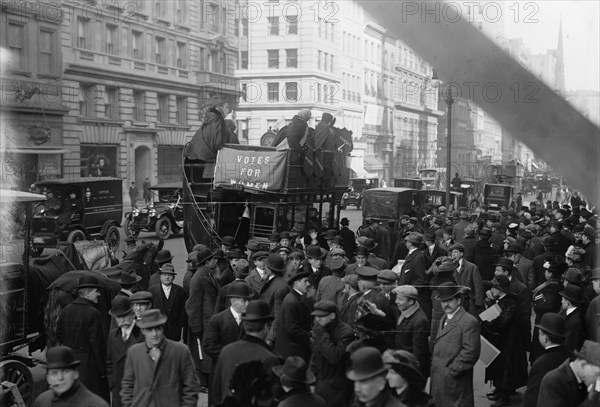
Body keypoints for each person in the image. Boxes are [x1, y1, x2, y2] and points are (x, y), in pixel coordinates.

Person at [120, 309, 200, 407]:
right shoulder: (134, 353)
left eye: (157, 328)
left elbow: (191, 387)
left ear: (162, 328)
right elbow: (127, 386)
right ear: (143, 330)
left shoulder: (180, 351)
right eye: (149, 329)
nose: (154, 334)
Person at [211, 300, 281, 405]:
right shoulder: (269, 358)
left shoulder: (226, 351)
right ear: (266, 327)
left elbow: (216, 393)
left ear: (245, 326)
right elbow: (269, 400)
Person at [57, 275, 109, 402]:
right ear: (87, 293)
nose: (99, 294)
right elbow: (98, 345)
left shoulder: (66, 310)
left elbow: (59, 336)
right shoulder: (93, 313)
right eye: (96, 291)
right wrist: (104, 371)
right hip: (90, 367)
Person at [430, 281, 481, 407]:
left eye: (450, 300)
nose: (446, 304)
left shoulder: (469, 321)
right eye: (443, 301)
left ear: (458, 300)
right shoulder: (444, 318)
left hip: (455, 383)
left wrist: (451, 372)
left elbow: (470, 353)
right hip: (439, 380)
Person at [203, 283, 251, 406]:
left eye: (248, 300)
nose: (247, 304)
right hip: (221, 371)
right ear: (233, 301)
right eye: (243, 301)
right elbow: (208, 345)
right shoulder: (217, 320)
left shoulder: (250, 321)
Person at [481, 275, 525, 407]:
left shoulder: (511, 301)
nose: (491, 290)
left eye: (494, 288)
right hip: (501, 340)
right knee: (499, 367)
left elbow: (502, 321)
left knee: (506, 369)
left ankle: (504, 396)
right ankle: (499, 389)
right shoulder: (502, 300)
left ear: (500, 288)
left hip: (509, 343)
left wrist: (488, 324)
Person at [185, 248, 219, 391]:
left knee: (206, 354)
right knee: (201, 355)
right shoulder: (198, 278)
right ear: (207, 262)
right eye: (213, 259)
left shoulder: (207, 274)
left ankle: (206, 381)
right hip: (202, 325)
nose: (215, 261)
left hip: (208, 322)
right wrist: (196, 328)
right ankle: (202, 383)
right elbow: (193, 304)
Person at [310, 300, 354, 406]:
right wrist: (311, 381)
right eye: (316, 316)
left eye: (321, 316)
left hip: (337, 389)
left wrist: (322, 334)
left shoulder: (345, 332)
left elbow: (334, 356)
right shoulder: (321, 329)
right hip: (320, 384)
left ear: (332, 316)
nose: (317, 319)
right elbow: (315, 357)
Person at [33, 346, 109, 407]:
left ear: (76, 373)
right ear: (48, 378)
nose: (60, 378)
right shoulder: (42, 401)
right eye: (54, 373)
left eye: (66, 371)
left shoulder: (95, 404)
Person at [523, 313, 571, 407]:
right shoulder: (570, 357)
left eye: (539, 333)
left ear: (545, 338)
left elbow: (532, 399)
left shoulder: (540, 364)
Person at [537, 340, 600, 407]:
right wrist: (591, 399)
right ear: (583, 365)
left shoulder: (582, 379)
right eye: (597, 374)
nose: (598, 379)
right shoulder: (553, 381)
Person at [106, 297, 144, 407]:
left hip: (138, 388)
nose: (122, 320)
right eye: (118, 317)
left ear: (133, 314)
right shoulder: (113, 336)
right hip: (118, 389)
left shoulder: (142, 334)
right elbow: (109, 362)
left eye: (125, 315)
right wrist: (112, 382)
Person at [392, 285, 430, 378]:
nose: (396, 302)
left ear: (411, 302)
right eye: (397, 298)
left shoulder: (419, 321)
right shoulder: (402, 310)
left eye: (400, 299)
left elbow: (419, 353)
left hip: (410, 369)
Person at [275, 268, 313, 361]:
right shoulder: (292, 301)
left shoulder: (294, 298)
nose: (308, 284)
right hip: (292, 353)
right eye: (305, 281)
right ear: (296, 283)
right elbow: (292, 329)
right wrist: (309, 337)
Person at [149, 264, 187, 342]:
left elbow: (183, 311)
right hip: (158, 329)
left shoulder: (180, 291)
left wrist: (180, 325)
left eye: (169, 275)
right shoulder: (152, 291)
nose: (167, 277)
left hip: (174, 331)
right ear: (160, 276)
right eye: (164, 275)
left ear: (173, 277)